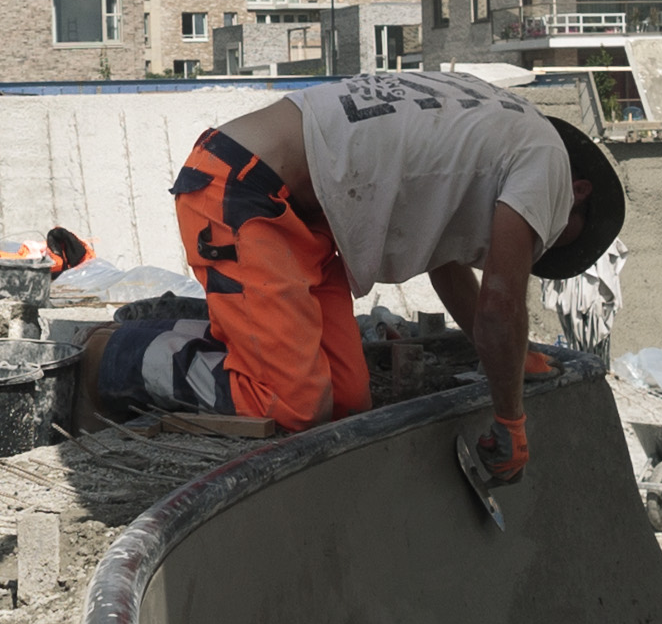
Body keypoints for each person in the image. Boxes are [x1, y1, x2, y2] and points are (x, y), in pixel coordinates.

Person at [170, 69, 623, 478]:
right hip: (239, 185)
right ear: (577, 191)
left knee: (348, 402)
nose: (536, 243)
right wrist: (511, 421)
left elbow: (447, 267)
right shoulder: (549, 164)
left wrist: (512, 358)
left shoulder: (503, 130)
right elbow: (499, 305)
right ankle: (124, 357)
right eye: (558, 236)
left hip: (309, 220)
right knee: (296, 408)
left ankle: (237, 338)